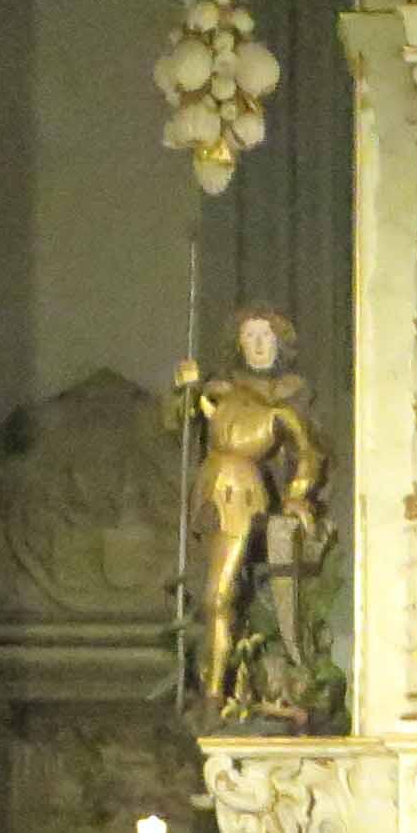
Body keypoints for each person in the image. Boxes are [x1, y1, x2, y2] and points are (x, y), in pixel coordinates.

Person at [173, 306, 332, 722]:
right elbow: (183, 428)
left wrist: (298, 496)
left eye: (266, 336)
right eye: (250, 336)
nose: (258, 345)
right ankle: (209, 680)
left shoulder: (285, 401)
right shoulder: (220, 390)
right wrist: (185, 394)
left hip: (245, 496)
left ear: (279, 342)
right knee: (206, 590)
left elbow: (309, 454)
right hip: (209, 493)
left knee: (219, 595)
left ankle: (216, 691)